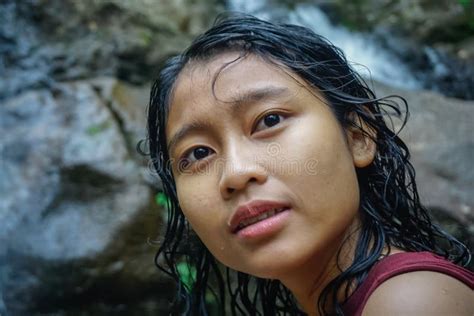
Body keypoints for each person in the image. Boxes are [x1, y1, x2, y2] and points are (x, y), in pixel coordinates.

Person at [143, 13, 473, 315]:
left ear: (358, 137)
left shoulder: (413, 302)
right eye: (198, 154)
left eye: (269, 120)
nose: (237, 173)